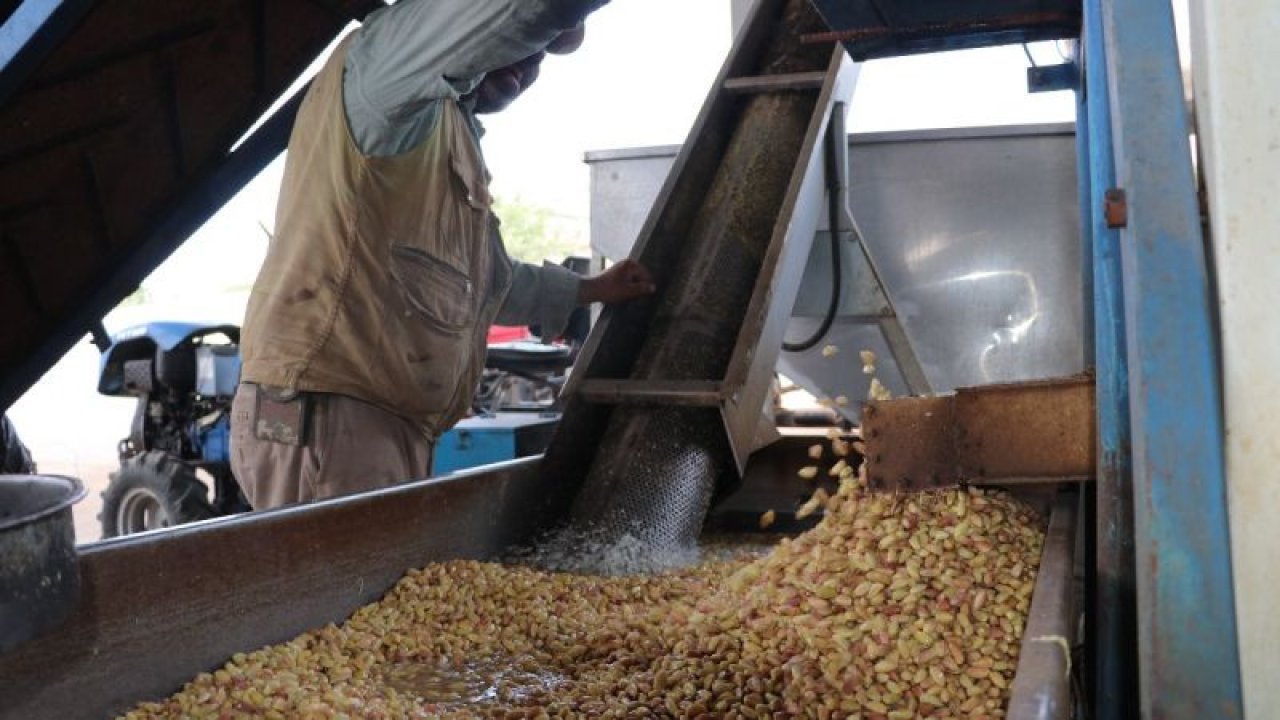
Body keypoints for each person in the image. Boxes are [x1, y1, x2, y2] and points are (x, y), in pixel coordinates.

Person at [230, 0, 654, 510]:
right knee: (345, 587)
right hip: (331, 412)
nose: (527, 66)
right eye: (522, 48)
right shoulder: (385, 62)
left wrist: (590, 291)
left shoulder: (444, 127)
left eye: (539, 58)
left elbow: (485, 281)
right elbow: (527, 10)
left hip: (380, 419)